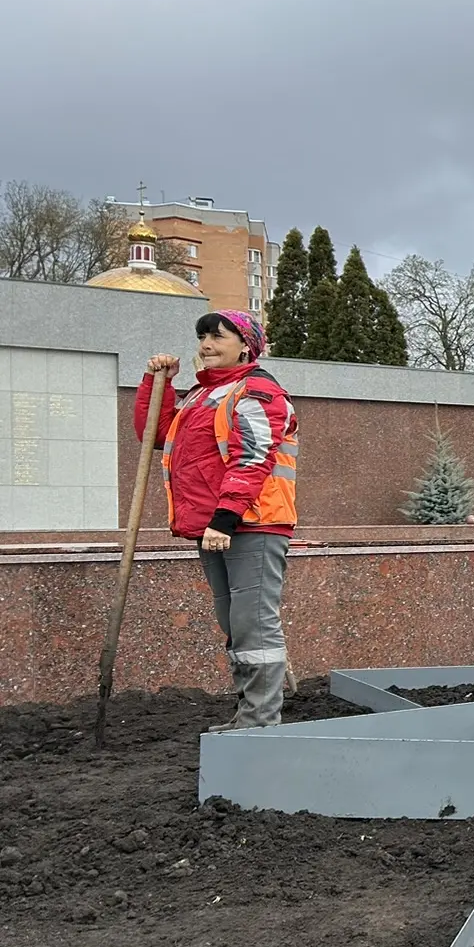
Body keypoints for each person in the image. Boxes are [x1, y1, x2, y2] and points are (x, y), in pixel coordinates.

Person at [137, 310, 299, 730]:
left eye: (217, 337)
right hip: (214, 525)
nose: (206, 345)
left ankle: (260, 720)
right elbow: (157, 435)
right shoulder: (202, 395)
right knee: (234, 622)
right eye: (202, 337)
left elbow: (253, 457)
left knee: (252, 623)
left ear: (245, 346)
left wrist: (224, 519)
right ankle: (252, 711)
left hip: (251, 523)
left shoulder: (257, 391)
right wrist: (158, 383)